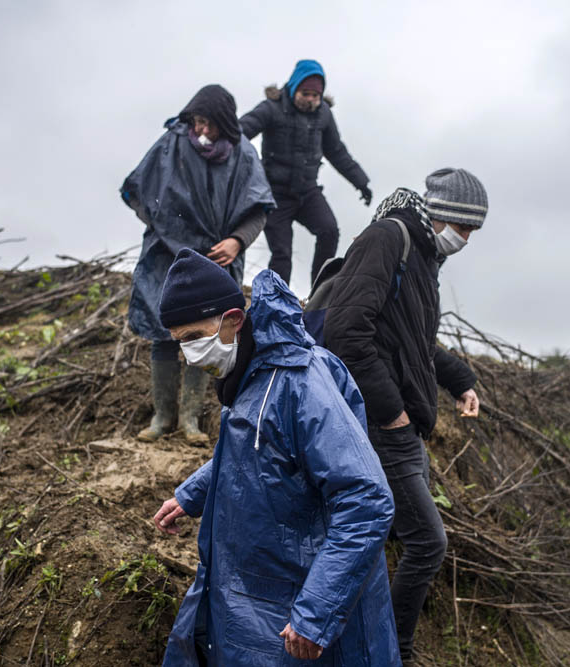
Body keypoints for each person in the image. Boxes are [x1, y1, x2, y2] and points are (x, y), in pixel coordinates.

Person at [153, 249, 401, 666]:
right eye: (181, 344)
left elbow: (367, 500)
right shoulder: (250, 371)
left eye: (195, 337)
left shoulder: (300, 383)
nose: (190, 354)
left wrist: (315, 614)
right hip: (253, 588)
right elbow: (262, 451)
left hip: (292, 599)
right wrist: (192, 494)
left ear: (233, 319)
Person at [322, 168, 487, 663]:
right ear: (446, 216)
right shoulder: (388, 239)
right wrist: (391, 412)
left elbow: (414, 343)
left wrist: (461, 381)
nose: (467, 240)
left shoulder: (424, 256)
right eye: (467, 229)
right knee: (427, 543)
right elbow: (345, 332)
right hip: (383, 425)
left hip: (405, 426)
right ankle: (394, 651)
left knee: (388, 535)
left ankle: (365, 638)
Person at [121, 85, 274, 444]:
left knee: (205, 334)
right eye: (198, 122)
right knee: (164, 332)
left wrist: (237, 241)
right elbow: (138, 191)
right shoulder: (171, 144)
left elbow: (258, 211)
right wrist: (167, 227)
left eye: (211, 125)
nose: (202, 131)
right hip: (166, 256)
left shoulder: (243, 156)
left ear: (226, 125)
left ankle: (190, 420)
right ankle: (162, 417)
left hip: (215, 259)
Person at [239, 59, 371, 286]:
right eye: (305, 93)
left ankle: (318, 294)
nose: (310, 100)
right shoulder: (272, 108)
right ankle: (275, 303)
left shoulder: (324, 115)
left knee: (329, 230)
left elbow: (337, 152)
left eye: (315, 96)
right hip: (275, 194)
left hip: (307, 192)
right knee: (282, 254)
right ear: (294, 88)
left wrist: (361, 182)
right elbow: (240, 133)